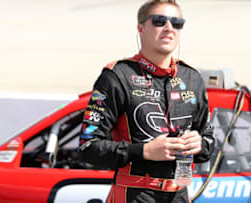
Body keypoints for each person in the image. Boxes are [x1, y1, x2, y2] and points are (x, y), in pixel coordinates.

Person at [79, 0, 214, 202]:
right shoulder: (117, 75)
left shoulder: (191, 78)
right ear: (140, 28)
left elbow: (209, 143)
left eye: (177, 23)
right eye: (159, 21)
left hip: (180, 193)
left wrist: (199, 144)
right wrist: (144, 151)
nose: (169, 28)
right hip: (134, 194)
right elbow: (88, 147)